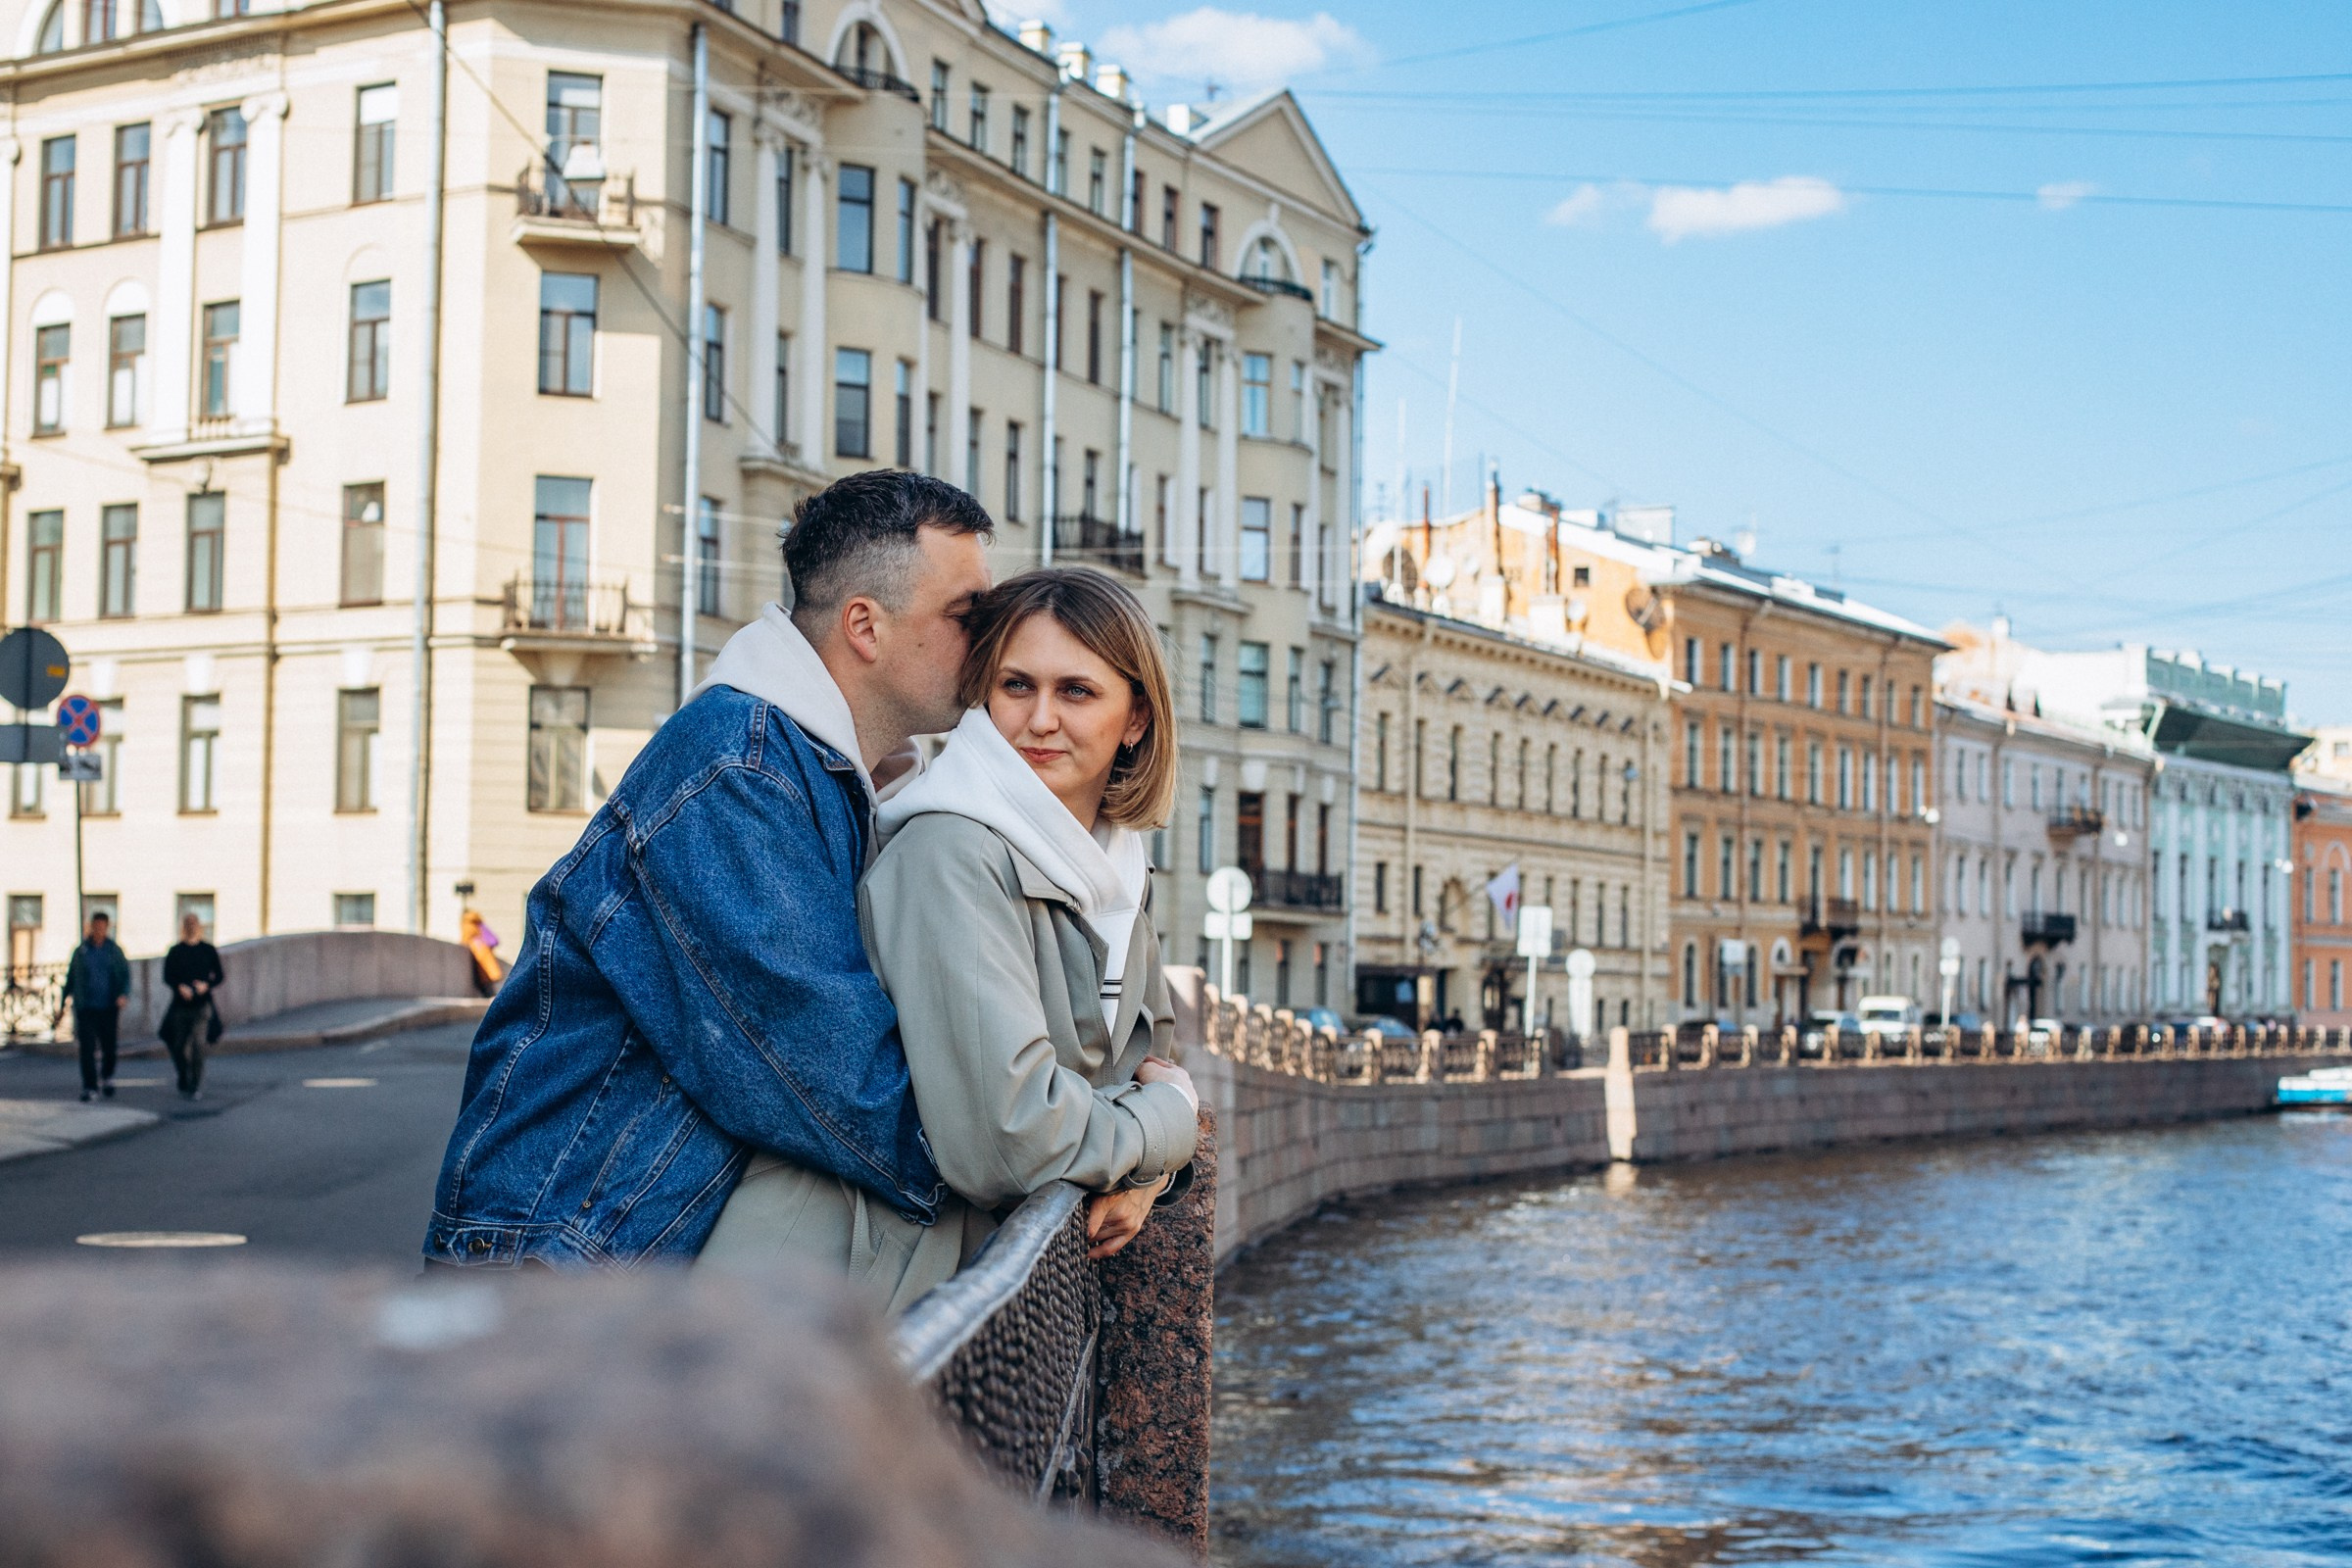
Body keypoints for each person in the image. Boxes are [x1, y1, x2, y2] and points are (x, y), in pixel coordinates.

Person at [422, 471, 994, 1269]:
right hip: (555, 1268)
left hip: (597, 1258)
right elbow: (835, 1079)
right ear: (865, 626)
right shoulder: (737, 772)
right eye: (969, 615)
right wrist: (1036, 1163)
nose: (990, 642)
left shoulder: (816, 773)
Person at [702, 568, 1200, 1313]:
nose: (1039, 720)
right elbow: (1012, 1136)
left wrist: (1148, 1170)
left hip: (921, 1287)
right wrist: (1165, 1133)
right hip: (820, 1289)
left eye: (1077, 691)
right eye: (1015, 686)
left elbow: (1145, 1066)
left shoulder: (1113, 868)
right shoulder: (953, 851)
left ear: (1135, 719)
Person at [56, 912, 130, 1103]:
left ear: (107, 927)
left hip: (108, 1006)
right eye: (95, 926)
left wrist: (123, 994)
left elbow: (125, 975)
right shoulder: (81, 951)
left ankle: (106, 1075)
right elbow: (71, 978)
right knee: (87, 1048)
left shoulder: (113, 951)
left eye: (101, 926)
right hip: (86, 1007)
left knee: (109, 1046)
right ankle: (89, 1086)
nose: (98, 930)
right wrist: (63, 1003)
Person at [160, 912, 223, 1101]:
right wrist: (179, 987)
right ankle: (184, 1075)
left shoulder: (208, 950)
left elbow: (219, 975)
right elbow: (167, 976)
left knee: (198, 1045)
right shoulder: (176, 951)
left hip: (201, 1005)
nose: (191, 927)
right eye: (188, 924)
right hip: (180, 1006)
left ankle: (194, 1083)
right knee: (178, 1046)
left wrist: (206, 986)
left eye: (194, 924)